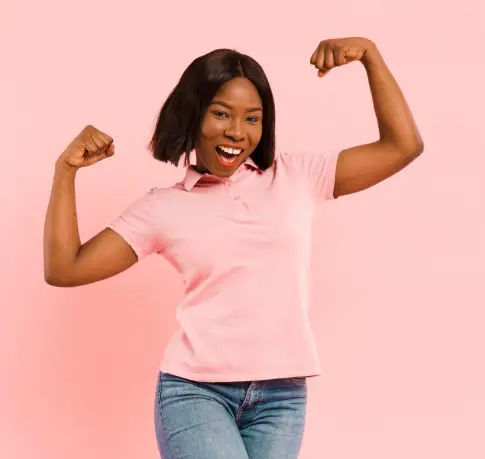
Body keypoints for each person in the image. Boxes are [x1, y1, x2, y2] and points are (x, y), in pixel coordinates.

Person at [43, 37, 423, 459]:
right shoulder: (163, 207)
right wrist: (66, 170)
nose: (237, 132)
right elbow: (65, 267)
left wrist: (370, 55)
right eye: (221, 113)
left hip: (282, 397)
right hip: (196, 393)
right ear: (193, 114)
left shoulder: (297, 176)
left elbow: (403, 146)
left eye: (252, 118)